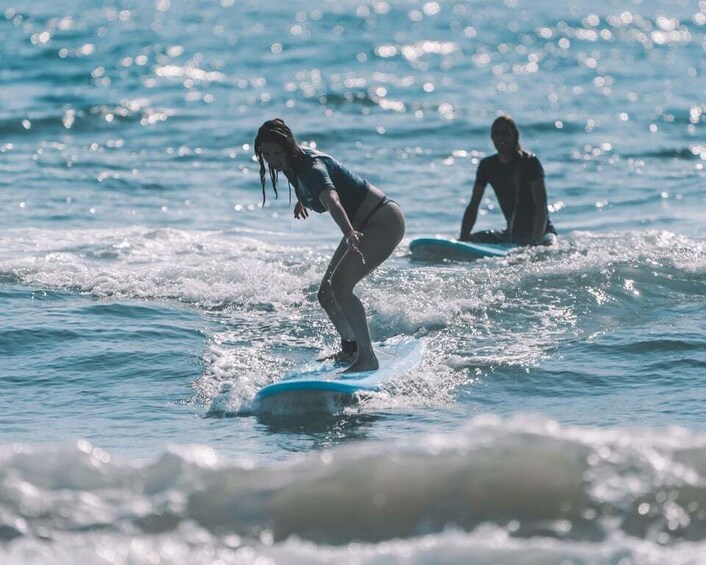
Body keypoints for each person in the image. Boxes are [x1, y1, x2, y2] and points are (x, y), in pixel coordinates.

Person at [254, 118, 405, 372]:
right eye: (266, 154)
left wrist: (348, 233)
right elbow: (318, 189)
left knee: (341, 286)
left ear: (289, 146)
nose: (272, 160)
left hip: (382, 221)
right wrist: (304, 199)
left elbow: (333, 199)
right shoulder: (291, 163)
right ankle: (351, 350)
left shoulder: (311, 168)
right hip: (363, 224)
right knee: (326, 293)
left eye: (276, 153)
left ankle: (368, 358)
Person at [459, 115, 557, 245]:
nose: (501, 138)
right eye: (497, 134)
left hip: (542, 233)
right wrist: (463, 240)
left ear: (515, 136)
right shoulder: (487, 166)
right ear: (492, 138)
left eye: (505, 134)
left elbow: (541, 206)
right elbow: (473, 205)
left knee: (548, 247)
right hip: (511, 235)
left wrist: (536, 241)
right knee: (472, 240)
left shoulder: (529, 162)